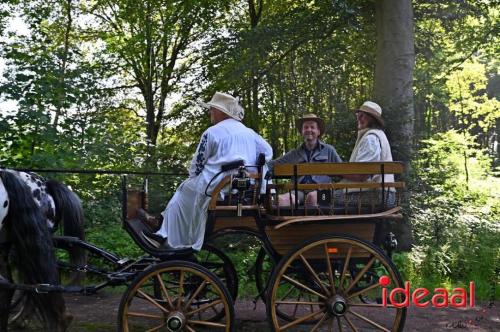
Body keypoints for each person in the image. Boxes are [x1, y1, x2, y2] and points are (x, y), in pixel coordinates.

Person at [142, 92, 273, 249]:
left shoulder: (212, 132)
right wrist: (251, 167)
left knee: (183, 190)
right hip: (245, 185)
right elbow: (268, 152)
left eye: (212, 108)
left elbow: (197, 165)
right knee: (186, 192)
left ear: (221, 111)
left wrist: (194, 176)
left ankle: (167, 236)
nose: (210, 112)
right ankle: (166, 230)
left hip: (218, 184)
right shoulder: (249, 132)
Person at [267, 114, 342, 206]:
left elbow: (342, 171)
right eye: (305, 127)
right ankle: (291, 220)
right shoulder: (294, 153)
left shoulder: (329, 150)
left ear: (318, 131)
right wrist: (254, 169)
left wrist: (335, 188)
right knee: (281, 200)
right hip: (299, 191)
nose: (309, 130)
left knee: (312, 198)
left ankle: (314, 219)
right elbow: (272, 164)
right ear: (302, 131)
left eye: (312, 127)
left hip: (323, 192)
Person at [336, 101, 395, 206]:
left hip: (377, 196)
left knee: (320, 197)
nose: (358, 118)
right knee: (325, 194)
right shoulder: (378, 135)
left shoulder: (371, 138)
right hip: (380, 194)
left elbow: (361, 175)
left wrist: (336, 172)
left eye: (362, 116)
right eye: (358, 115)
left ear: (372, 119)